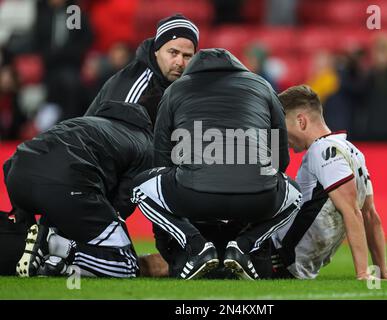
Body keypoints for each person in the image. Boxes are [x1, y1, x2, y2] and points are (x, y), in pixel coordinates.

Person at [131, 48, 302, 280]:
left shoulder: (175, 89)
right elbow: (280, 160)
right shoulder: (263, 86)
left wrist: (166, 244)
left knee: (139, 187)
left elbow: (161, 160)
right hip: (257, 198)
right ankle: (244, 245)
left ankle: (195, 245)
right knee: (296, 193)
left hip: (194, 196)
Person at [271, 85, 387, 280]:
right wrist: (383, 271)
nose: (282, 137)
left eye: (282, 126)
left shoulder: (322, 151)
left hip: (277, 259)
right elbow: (369, 214)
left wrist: (363, 273)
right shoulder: (351, 150)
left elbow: (352, 211)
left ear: (301, 121)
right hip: (290, 263)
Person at [4, 100, 153, 278]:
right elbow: (120, 206)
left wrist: (25, 222)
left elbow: (8, 165)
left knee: (42, 232)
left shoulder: (83, 122)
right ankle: (51, 244)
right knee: (127, 265)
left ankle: (51, 259)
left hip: (16, 173)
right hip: (68, 181)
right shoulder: (145, 142)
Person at [84, 13, 199, 127]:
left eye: (187, 56)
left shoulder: (193, 84)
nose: (179, 62)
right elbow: (116, 139)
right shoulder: (136, 84)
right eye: (173, 52)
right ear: (156, 51)